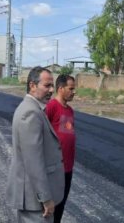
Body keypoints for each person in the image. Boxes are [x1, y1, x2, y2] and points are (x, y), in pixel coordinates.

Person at [6, 66, 65, 222]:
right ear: (32, 86)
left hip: (34, 198)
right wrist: (45, 198)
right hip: (35, 201)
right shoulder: (30, 113)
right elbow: (33, 162)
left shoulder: (34, 109)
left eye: (52, 85)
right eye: (47, 86)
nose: (52, 90)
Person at [45, 74, 76, 223]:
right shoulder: (51, 106)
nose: (74, 92)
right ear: (60, 88)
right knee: (52, 204)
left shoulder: (70, 111)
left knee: (61, 204)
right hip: (55, 167)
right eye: (71, 88)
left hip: (68, 167)